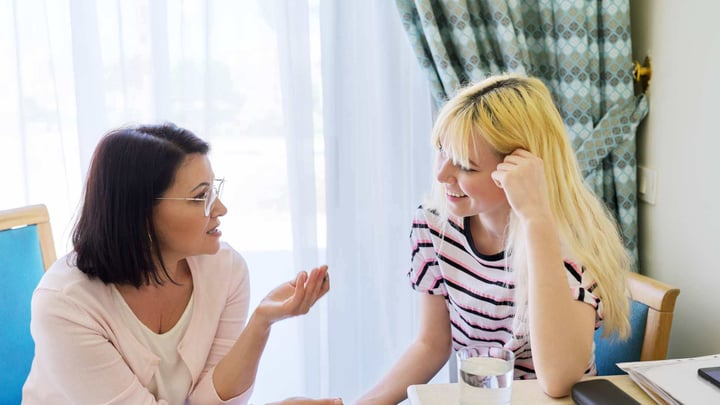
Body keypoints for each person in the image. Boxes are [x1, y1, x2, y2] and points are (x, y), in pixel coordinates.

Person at [357, 74, 632, 403]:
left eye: (465, 166)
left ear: (520, 169)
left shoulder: (570, 250)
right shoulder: (433, 226)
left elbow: (560, 381)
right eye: (441, 152)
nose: (441, 174)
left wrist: (536, 218)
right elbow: (431, 345)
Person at [22, 123, 342, 405]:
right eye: (200, 197)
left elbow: (209, 403)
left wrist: (262, 321)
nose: (220, 208)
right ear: (140, 214)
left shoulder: (225, 269)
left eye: (214, 190)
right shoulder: (65, 304)